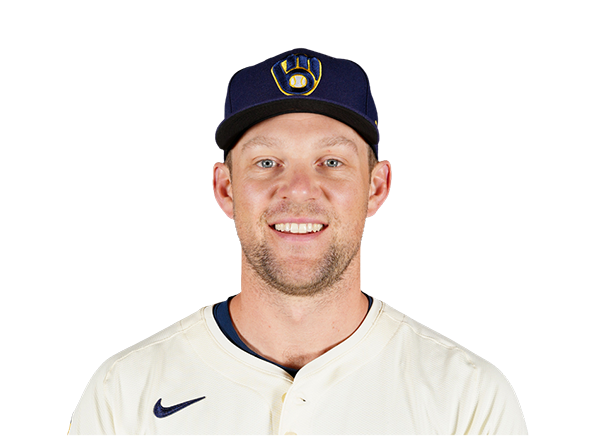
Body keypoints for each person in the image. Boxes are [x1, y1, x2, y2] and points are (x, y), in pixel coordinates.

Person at [70, 50, 528, 435]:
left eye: (331, 161)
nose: (299, 190)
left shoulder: (467, 397)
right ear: (226, 189)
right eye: (267, 162)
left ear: (376, 187)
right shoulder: (124, 391)